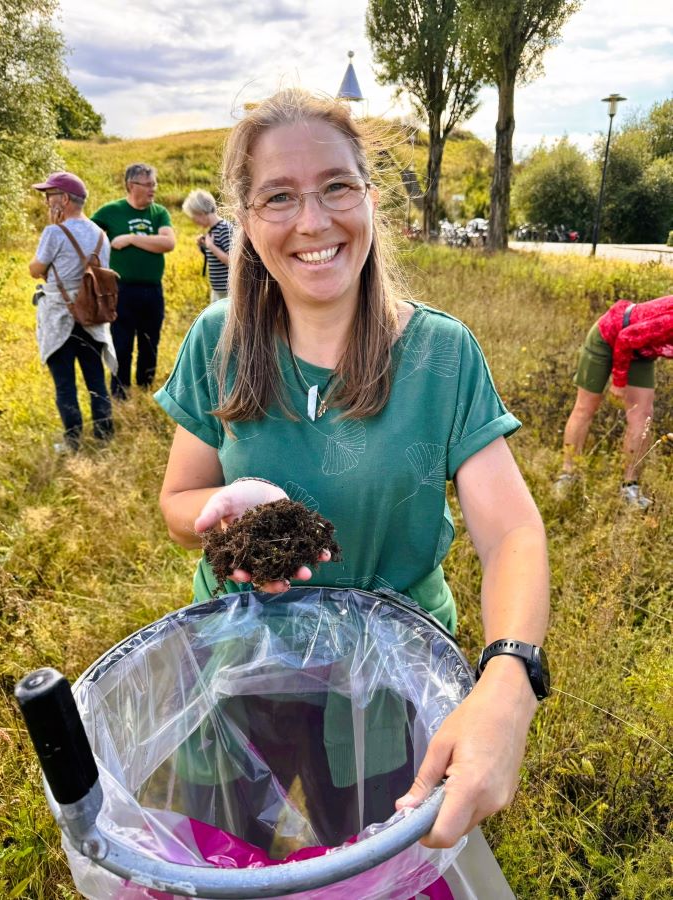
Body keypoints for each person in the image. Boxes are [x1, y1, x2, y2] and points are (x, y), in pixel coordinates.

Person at [155, 89, 549, 851]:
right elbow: (179, 498)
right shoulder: (216, 341)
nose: (312, 222)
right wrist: (218, 513)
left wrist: (509, 679)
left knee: (371, 861)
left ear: (369, 197)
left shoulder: (440, 355)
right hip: (239, 661)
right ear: (246, 220)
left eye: (336, 186)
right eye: (278, 197)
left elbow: (511, 535)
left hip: (384, 687)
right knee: (225, 848)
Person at [554, 295, 673, 509]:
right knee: (585, 407)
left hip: (640, 352)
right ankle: (567, 475)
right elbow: (626, 337)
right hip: (609, 336)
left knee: (643, 415)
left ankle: (629, 487)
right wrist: (618, 381)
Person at [29, 171, 117, 452]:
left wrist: (52, 228)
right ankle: (104, 436)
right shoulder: (101, 234)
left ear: (64, 199)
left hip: (60, 317)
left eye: (49, 196)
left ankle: (73, 441)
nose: (46, 201)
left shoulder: (53, 232)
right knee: (95, 379)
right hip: (92, 316)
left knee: (65, 383)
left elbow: (35, 269)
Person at [91, 163, 175, 399]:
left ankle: (145, 386)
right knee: (122, 342)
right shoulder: (111, 211)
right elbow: (86, 234)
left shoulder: (159, 213)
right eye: (147, 184)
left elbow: (168, 243)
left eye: (154, 184)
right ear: (131, 185)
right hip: (120, 290)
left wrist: (130, 238)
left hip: (152, 290)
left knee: (150, 341)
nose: (152, 189)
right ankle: (120, 391)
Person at [182, 189, 233, 302]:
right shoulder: (214, 230)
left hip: (228, 290)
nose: (194, 222)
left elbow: (232, 261)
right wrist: (204, 246)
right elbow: (216, 257)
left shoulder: (224, 229)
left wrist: (211, 246)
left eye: (194, 218)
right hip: (218, 289)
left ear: (202, 213)